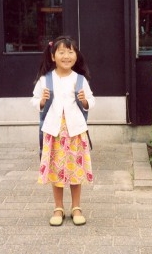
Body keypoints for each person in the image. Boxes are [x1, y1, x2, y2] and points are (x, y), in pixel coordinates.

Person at [31, 36, 95, 226]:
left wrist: (84, 100)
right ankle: (58, 207)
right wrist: (42, 100)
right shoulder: (45, 80)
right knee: (56, 171)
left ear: (76, 55)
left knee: (75, 170)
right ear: (53, 56)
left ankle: (76, 207)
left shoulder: (80, 79)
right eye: (62, 52)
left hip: (75, 133)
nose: (66, 56)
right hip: (54, 132)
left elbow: (91, 101)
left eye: (71, 51)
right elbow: (35, 101)